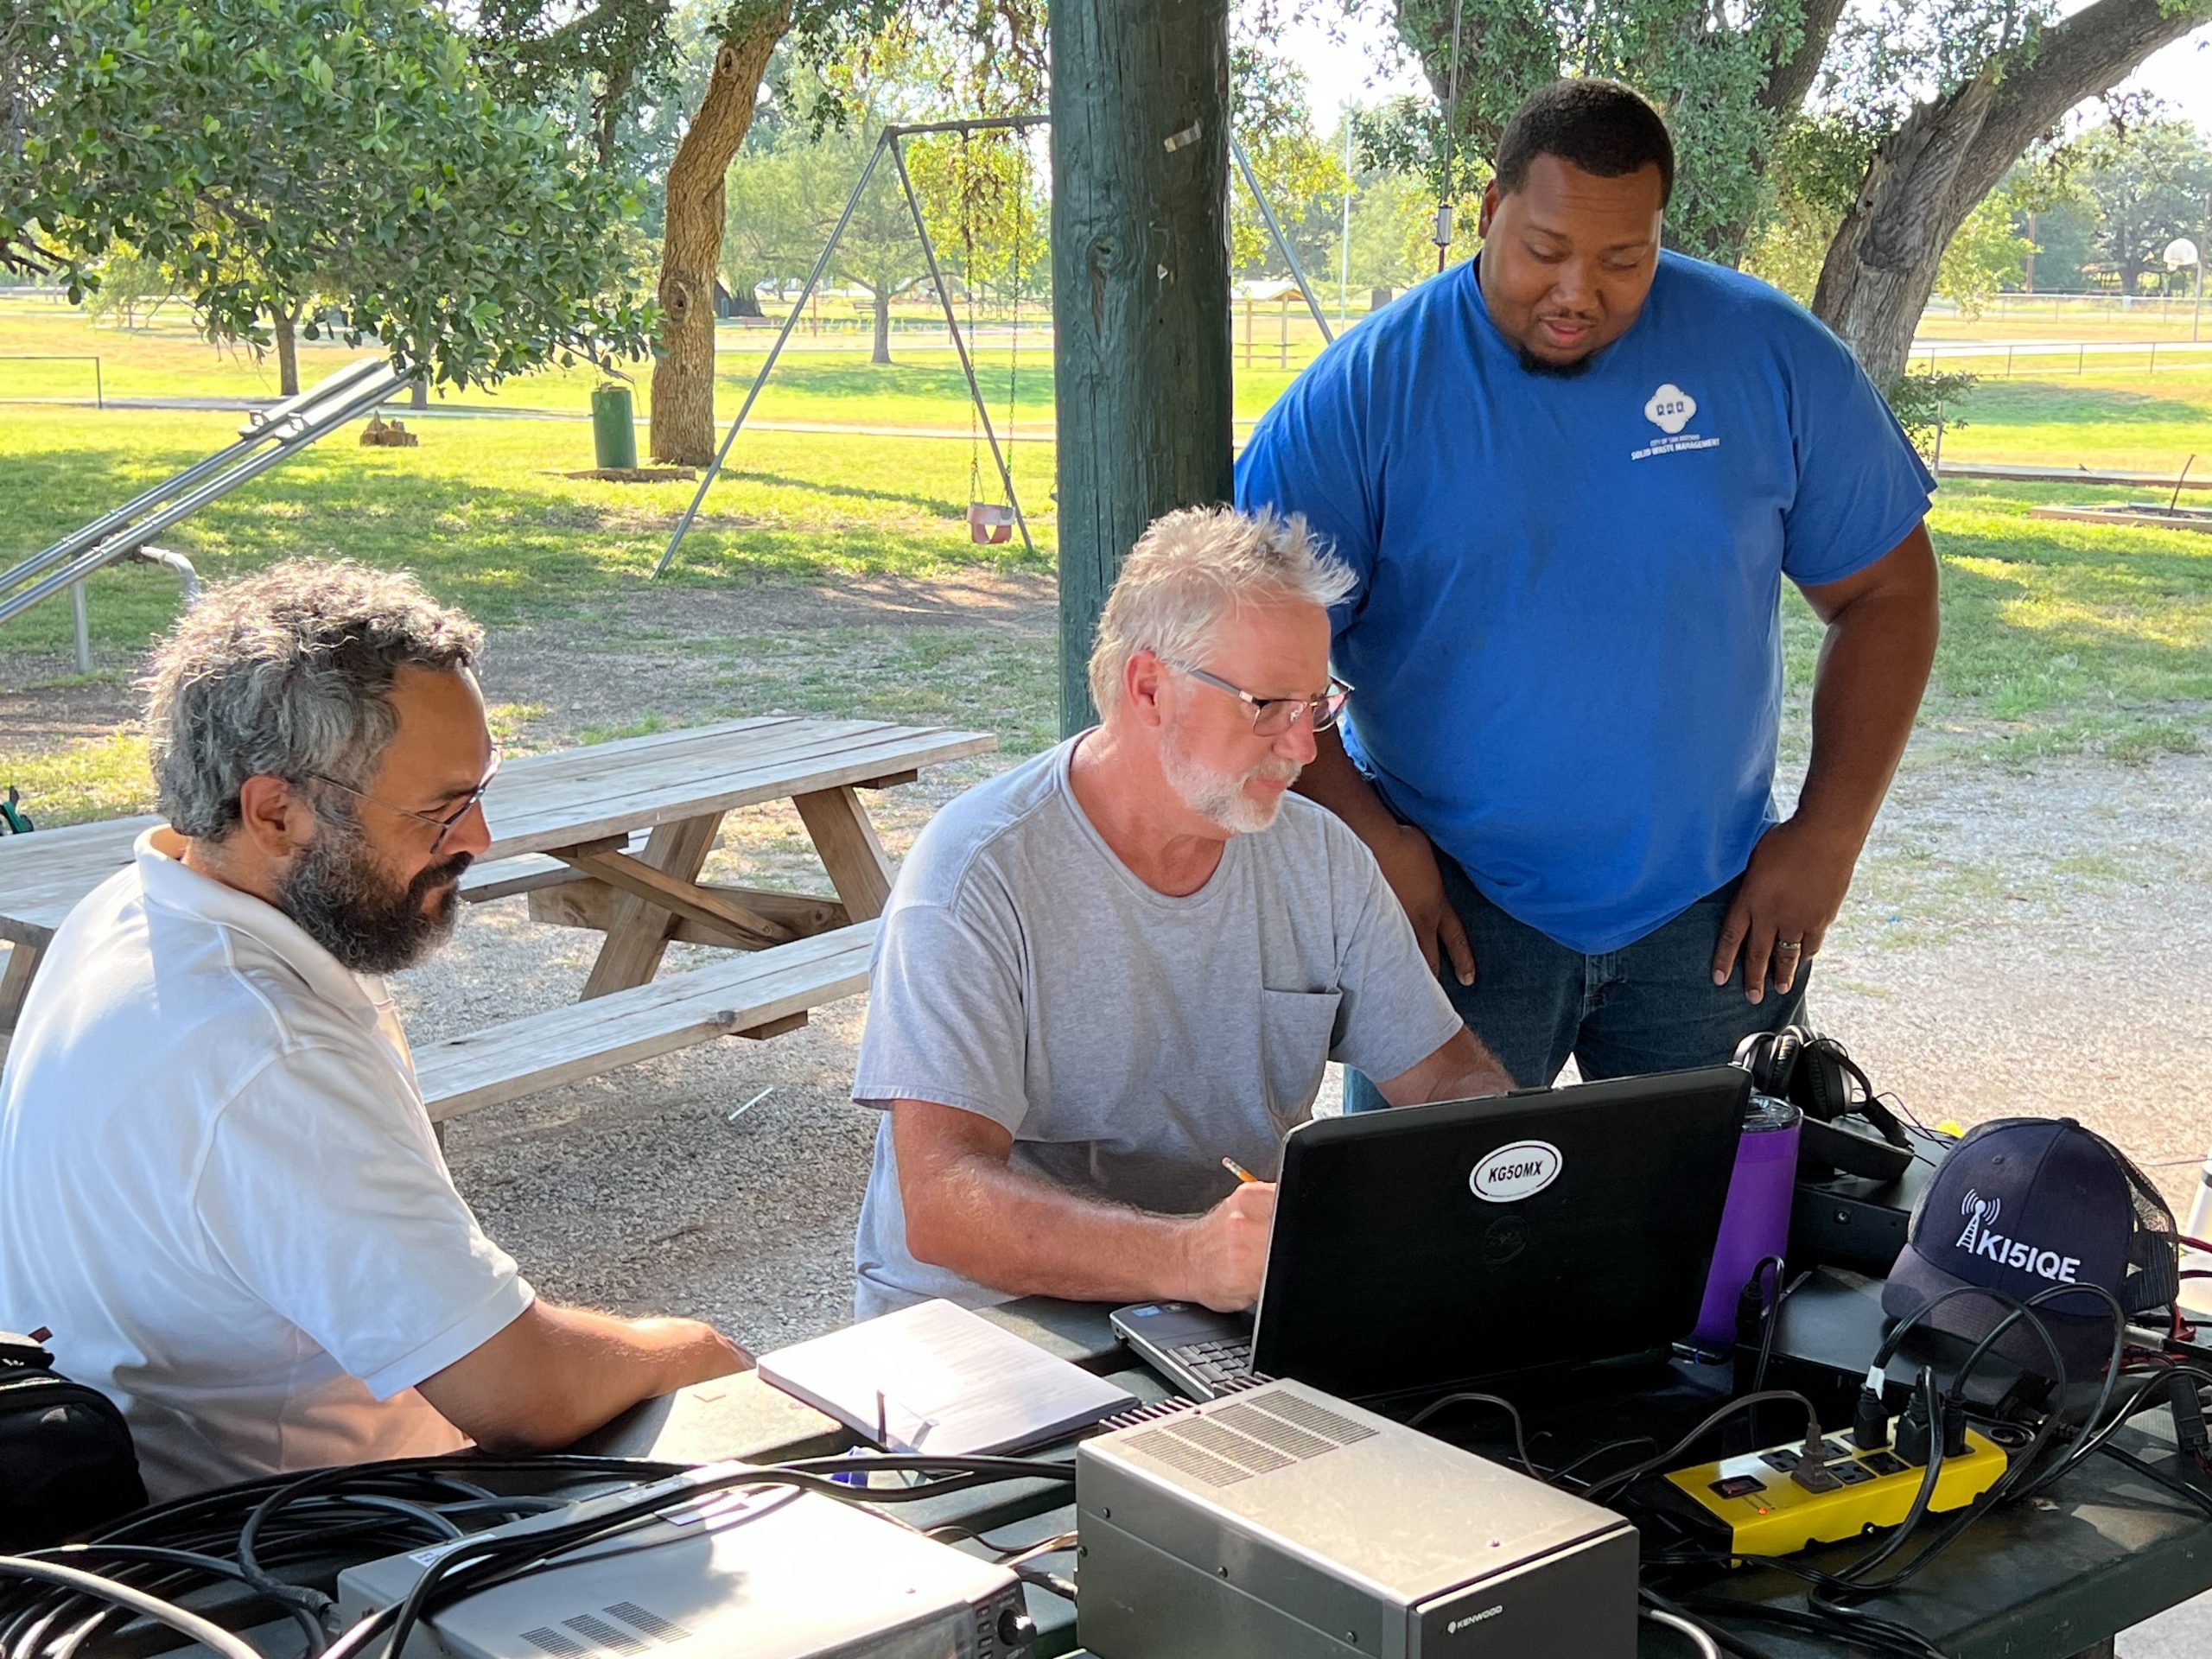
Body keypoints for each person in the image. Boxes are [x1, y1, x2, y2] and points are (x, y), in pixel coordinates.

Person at [1236, 78, 1941, 1099]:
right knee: (1431, 1237)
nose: (1578, 292)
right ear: (1489, 213)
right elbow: (1248, 666)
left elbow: (1888, 593)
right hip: (1448, 900)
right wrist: (1366, 839)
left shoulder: (1770, 355)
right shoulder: (1361, 396)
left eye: (1624, 260)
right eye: (1544, 252)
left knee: (1700, 1240)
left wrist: (1828, 837)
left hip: (1712, 910)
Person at [0, 563, 747, 1500]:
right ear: (274, 811)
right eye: (438, 811)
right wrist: (691, 1348)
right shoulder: (263, 1047)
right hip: (302, 1555)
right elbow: (524, 1396)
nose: (477, 837)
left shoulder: (137, 903)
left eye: (477, 789)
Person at [850, 506, 1513, 1319]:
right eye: (1266, 705)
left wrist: (1506, 1164)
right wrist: (1189, 1257)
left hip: (1218, 1299)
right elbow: (944, 1202)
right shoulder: (978, 873)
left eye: (1315, 704)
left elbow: (1444, 1075)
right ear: (1149, 687)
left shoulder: (1321, 856)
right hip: (989, 1319)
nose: (1303, 748)